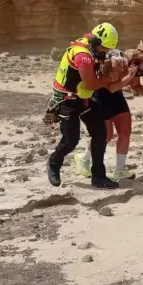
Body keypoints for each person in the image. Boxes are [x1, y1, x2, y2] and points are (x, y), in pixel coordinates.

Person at [45, 21, 121, 189]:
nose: (106, 52)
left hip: (83, 98)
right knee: (71, 140)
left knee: (100, 133)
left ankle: (98, 176)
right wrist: (111, 78)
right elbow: (90, 84)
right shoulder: (83, 56)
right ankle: (53, 162)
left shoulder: (91, 49)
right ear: (95, 43)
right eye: (104, 49)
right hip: (68, 100)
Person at [75, 46, 143, 181]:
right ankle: (84, 159)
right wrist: (129, 76)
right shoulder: (115, 62)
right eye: (140, 71)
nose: (140, 74)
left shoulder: (133, 71)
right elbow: (111, 87)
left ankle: (120, 169)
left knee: (125, 132)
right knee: (106, 135)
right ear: (132, 64)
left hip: (116, 97)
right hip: (100, 96)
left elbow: (135, 85)